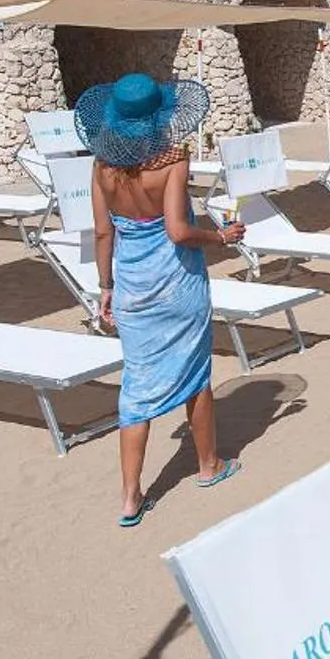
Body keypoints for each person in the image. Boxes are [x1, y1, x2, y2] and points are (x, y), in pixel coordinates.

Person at [76, 73, 245, 526]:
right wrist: (221, 236)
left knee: (136, 389)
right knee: (196, 374)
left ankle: (131, 497)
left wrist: (106, 286)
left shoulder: (100, 165)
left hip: (132, 288)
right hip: (177, 282)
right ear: (159, 117)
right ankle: (208, 466)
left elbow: (101, 232)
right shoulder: (172, 159)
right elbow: (177, 230)